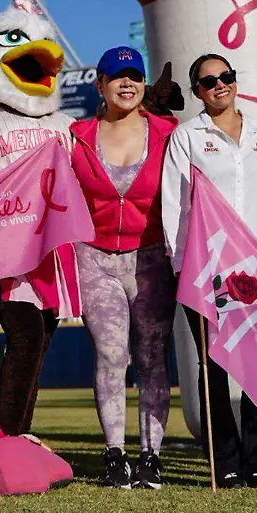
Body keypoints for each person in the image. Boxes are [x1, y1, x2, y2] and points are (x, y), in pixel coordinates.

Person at [162, 53, 257, 489]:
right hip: (207, 269)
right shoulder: (186, 137)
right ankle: (224, 460)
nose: (219, 85)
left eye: (226, 77)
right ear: (197, 91)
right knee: (214, 369)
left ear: (235, 82)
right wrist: (183, 267)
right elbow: (174, 208)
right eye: (208, 81)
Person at [69, 47, 177, 490]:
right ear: (101, 86)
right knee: (112, 356)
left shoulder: (171, 134)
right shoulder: (75, 135)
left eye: (134, 76)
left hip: (152, 258)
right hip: (95, 258)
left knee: (152, 357)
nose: (126, 84)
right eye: (117, 77)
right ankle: (115, 455)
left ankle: (151, 457)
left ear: (145, 84)